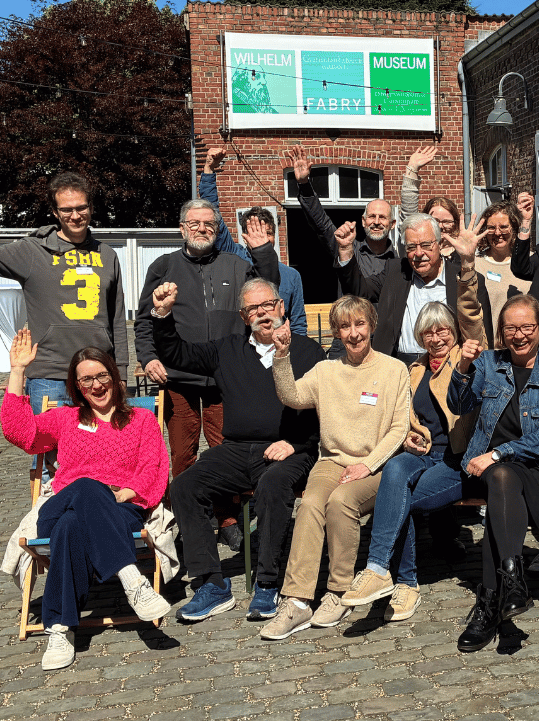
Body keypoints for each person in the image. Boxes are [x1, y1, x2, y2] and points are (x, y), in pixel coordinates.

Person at [402, 295, 539, 652]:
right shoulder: (487, 363)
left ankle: (489, 602)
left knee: (502, 477)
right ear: (500, 333)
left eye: (527, 327)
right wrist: (463, 367)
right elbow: (458, 404)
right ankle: (511, 580)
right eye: (510, 328)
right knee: (499, 478)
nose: (519, 335)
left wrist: (498, 452)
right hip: (493, 471)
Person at [151, 278, 325, 623]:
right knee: (185, 486)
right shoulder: (227, 350)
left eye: (267, 305)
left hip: (291, 449)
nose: (262, 313)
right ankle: (212, 585)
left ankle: (267, 583)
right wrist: (163, 314)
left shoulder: (308, 352)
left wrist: (296, 443)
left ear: (281, 307)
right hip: (236, 449)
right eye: (252, 309)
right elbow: (175, 353)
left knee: (274, 486)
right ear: (244, 316)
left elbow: (325, 409)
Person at [0, 331, 170, 670]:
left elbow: (154, 465)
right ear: (77, 386)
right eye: (86, 380)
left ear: (114, 376)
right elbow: (21, 434)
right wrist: (17, 371)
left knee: (70, 527)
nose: (96, 385)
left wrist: (131, 491)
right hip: (62, 502)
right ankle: (131, 579)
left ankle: (60, 628)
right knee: (86, 488)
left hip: (119, 511)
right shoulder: (66, 418)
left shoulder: (142, 419)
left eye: (102, 375)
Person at [260, 297, 411, 639]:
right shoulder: (327, 370)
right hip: (331, 461)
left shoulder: (393, 370)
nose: (354, 333)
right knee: (311, 504)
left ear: (371, 325)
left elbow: (399, 428)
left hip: (377, 466)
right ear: (337, 333)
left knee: (341, 501)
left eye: (360, 324)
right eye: (345, 327)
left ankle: (340, 591)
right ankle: (297, 602)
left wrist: (368, 464)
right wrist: (281, 356)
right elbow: (293, 396)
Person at [341, 290, 485, 622]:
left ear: (453, 331)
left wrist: (465, 269)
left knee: (397, 501)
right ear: (419, 335)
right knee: (393, 473)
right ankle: (379, 569)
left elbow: (475, 326)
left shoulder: (468, 359)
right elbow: (406, 415)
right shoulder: (416, 369)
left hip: (454, 459)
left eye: (442, 330)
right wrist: (407, 434)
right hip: (421, 452)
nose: (435, 338)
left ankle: (405, 582)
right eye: (428, 332)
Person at [134, 199, 280, 480]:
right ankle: (189, 516)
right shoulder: (163, 267)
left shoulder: (237, 265)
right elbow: (145, 319)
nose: (202, 229)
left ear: (217, 228)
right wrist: (149, 356)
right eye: (194, 223)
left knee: (228, 450)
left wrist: (262, 252)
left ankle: (228, 518)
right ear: (182, 229)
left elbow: (269, 292)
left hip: (225, 377)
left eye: (209, 224)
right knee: (182, 453)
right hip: (178, 377)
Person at [0, 172, 128, 478]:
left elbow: (118, 318)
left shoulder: (107, 255)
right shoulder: (32, 251)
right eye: (66, 209)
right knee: (51, 466)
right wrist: (33, 238)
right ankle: (51, 522)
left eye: (81, 207)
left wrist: (120, 372)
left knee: (104, 457)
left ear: (91, 208)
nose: (75, 215)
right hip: (50, 375)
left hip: (99, 376)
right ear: (55, 213)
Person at [336, 213, 493, 363]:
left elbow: (482, 332)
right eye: (411, 247)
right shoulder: (396, 271)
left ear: (439, 244)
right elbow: (359, 290)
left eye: (426, 245)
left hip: (450, 366)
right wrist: (345, 250)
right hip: (400, 365)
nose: (419, 253)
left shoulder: (464, 280)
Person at [199, 146, 307, 334]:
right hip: (241, 348)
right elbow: (212, 214)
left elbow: (297, 324)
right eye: (255, 232)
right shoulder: (235, 257)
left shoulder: (291, 276)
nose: (262, 239)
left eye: (268, 233)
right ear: (244, 237)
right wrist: (209, 170)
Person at [282, 145, 401, 283]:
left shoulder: (400, 260)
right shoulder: (346, 248)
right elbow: (322, 224)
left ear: (392, 224)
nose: (376, 222)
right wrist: (304, 185)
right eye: (372, 216)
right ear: (363, 221)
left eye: (382, 217)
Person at [473, 201, 529, 323]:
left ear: (514, 228)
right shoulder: (475, 264)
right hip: (488, 339)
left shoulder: (529, 261)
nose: (498, 233)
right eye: (491, 228)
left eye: (503, 227)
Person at [399, 144, 462, 253]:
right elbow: (408, 217)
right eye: (435, 221)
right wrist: (412, 169)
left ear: (456, 224)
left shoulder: (462, 250)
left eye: (447, 222)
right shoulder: (417, 249)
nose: (441, 226)